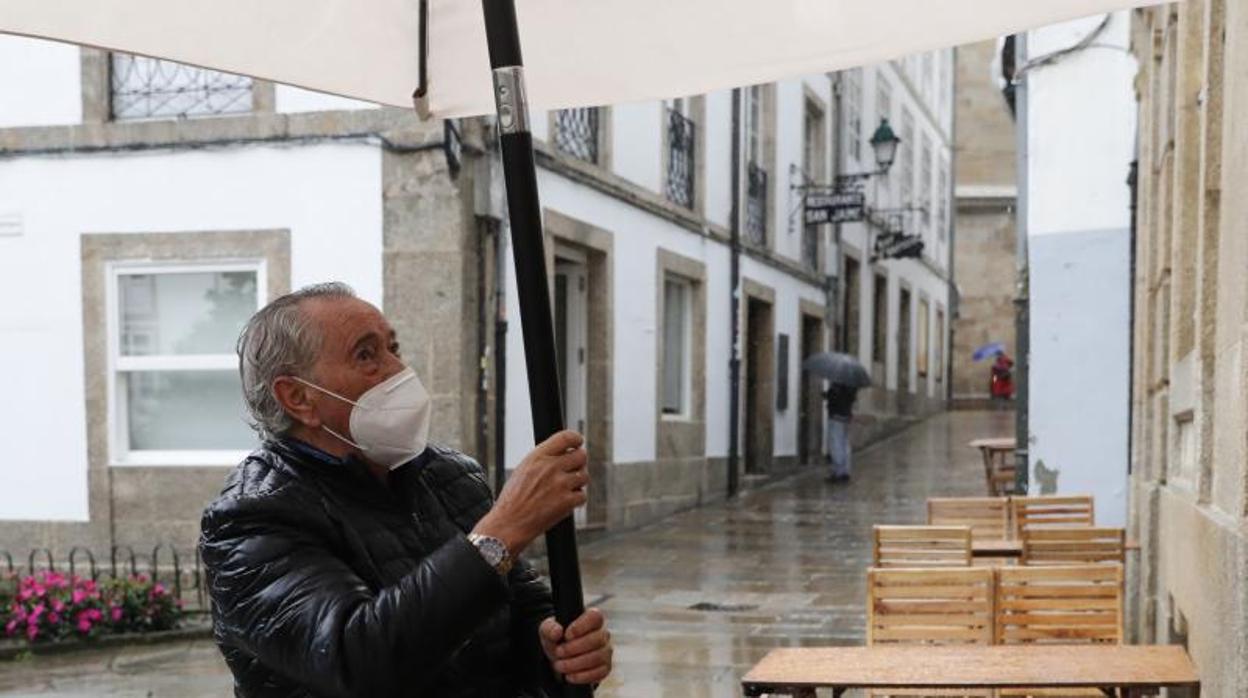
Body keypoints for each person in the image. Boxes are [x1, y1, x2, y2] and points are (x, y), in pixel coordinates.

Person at [199, 282, 612, 697]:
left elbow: (520, 603)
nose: (398, 370)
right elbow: (358, 661)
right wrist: (503, 531)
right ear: (298, 397)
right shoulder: (250, 519)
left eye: (393, 348)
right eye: (366, 355)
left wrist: (554, 646)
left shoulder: (451, 475)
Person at [823, 381, 860, 483]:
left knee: (836, 444)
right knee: (845, 444)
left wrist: (827, 395)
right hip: (846, 417)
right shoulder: (852, 386)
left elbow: (834, 399)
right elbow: (851, 399)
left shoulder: (837, 385)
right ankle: (846, 471)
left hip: (836, 417)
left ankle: (838, 472)